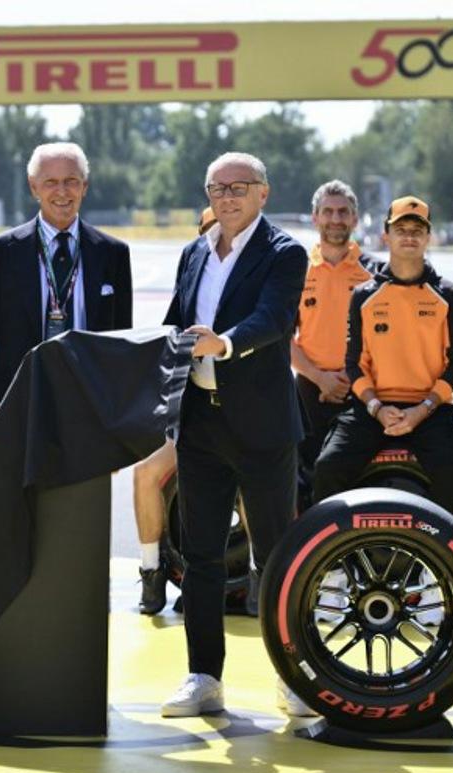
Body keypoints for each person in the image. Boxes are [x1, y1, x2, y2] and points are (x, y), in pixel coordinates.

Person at [160, 153, 307, 718]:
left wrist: (221, 344)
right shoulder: (194, 251)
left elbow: (274, 320)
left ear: (263, 194)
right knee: (199, 556)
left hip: (263, 426)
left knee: (275, 557)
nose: (227, 197)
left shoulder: (285, 252)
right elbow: (176, 321)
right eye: (217, 188)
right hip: (200, 424)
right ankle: (203, 676)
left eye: (239, 187)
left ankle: (293, 675)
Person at [0, 142, 133, 465]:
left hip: (89, 409)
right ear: (33, 187)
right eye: (51, 182)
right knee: (20, 510)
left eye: (71, 181)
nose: (62, 191)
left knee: (83, 510)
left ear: (85, 186)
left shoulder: (113, 254)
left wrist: (121, 416)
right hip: (15, 408)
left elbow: (121, 345)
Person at [312, 196, 453, 519]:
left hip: (431, 411)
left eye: (417, 229)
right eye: (401, 229)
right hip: (372, 409)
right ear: (386, 235)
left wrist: (422, 410)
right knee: (328, 467)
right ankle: (335, 561)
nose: (409, 236)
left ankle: (440, 566)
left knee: (450, 472)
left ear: (428, 237)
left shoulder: (449, 294)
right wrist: (377, 407)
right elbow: (354, 363)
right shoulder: (365, 295)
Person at [132, 206, 218, 616]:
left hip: (240, 415)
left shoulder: (253, 277)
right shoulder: (191, 273)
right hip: (191, 412)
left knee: (243, 479)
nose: (215, 237)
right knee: (146, 472)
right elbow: (167, 332)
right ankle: (152, 571)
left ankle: (255, 578)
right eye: (207, 230)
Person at [292, 180, 381, 479]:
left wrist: (351, 379)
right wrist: (320, 378)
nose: (335, 219)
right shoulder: (295, 269)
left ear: (355, 219)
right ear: (315, 217)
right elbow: (282, 338)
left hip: (363, 389)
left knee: (349, 473)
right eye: (327, 212)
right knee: (303, 473)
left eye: (343, 212)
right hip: (309, 389)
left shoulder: (377, 273)